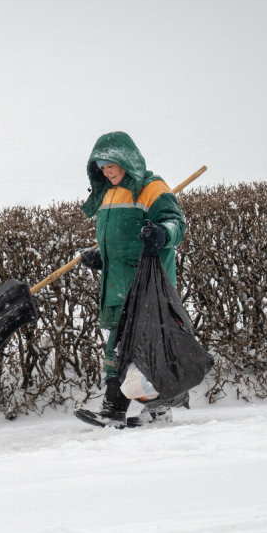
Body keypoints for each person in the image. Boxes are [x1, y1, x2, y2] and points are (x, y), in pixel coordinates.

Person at [77, 131, 187, 428]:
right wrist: (101, 258)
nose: (106, 171)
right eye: (100, 166)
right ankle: (134, 410)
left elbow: (176, 223)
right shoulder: (108, 194)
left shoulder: (151, 187)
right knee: (118, 349)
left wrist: (162, 234)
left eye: (110, 164)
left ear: (125, 159)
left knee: (140, 348)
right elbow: (116, 242)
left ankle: (134, 409)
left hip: (146, 284)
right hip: (115, 285)